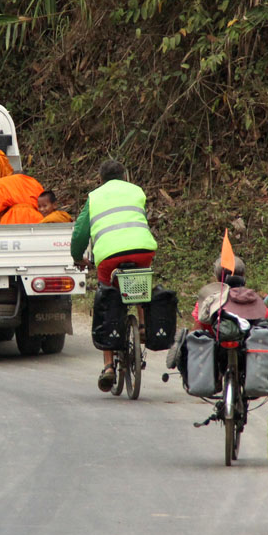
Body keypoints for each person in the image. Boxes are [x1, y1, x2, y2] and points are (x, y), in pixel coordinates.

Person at [71, 159, 157, 392]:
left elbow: (80, 232)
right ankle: (141, 325)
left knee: (108, 300)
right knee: (139, 279)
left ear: (100, 179)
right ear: (125, 175)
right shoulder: (137, 191)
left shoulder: (95, 197)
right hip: (143, 249)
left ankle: (108, 366)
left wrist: (77, 257)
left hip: (109, 256)